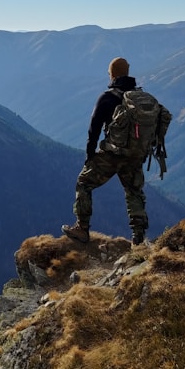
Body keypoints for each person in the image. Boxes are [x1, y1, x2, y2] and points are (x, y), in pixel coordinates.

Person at [62, 57, 149, 246]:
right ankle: (139, 237)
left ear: (112, 74)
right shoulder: (139, 98)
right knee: (134, 191)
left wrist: (90, 156)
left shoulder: (108, 97)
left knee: (84, 183)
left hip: (112, 154)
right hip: (135, 154)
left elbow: (94, 129)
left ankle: (82, 228)